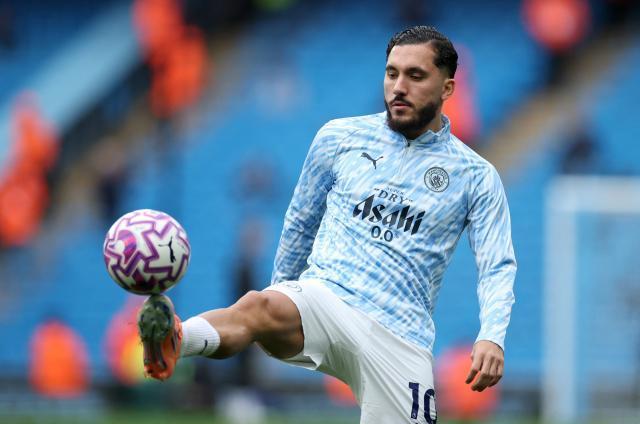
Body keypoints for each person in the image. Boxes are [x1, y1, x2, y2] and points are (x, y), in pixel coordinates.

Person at [137, 25, 516, 423]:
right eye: (392, 73)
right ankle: (176, 339)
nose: (399, 87)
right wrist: (282, 295)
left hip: (400, 335)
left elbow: (496, 265)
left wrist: (491, 335)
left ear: (447, 88)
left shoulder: (476, 176)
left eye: (415, 75)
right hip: (327, 299)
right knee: (256, 305)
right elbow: (300, 223)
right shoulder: (339, 138)